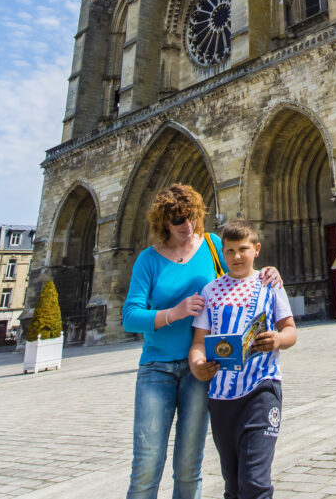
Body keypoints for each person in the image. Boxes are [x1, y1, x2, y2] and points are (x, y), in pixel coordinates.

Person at [122, 184, 281, 499]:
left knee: (188, 467)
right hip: (157, 368)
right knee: (147, 464)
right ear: (164, 221)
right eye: (179, 219)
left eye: (192, 216)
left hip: (202, 369)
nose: (187, 225)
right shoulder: (148, 259)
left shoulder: (211, 245)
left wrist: (268, 273)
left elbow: (240, 269)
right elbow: (130, 316)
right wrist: (174, 312)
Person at [187, 218, 297, 499]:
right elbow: (199, 343)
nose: (237, 257)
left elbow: (290, 331)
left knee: (255, 482)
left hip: (262, 388)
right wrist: (198, 365)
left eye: (243, 249)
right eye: (230, 251)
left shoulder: (269, 283)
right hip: (222, 397)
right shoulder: (210, 291)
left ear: (256, 249)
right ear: (222, 253)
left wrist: (278, 340)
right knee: (233, 485)